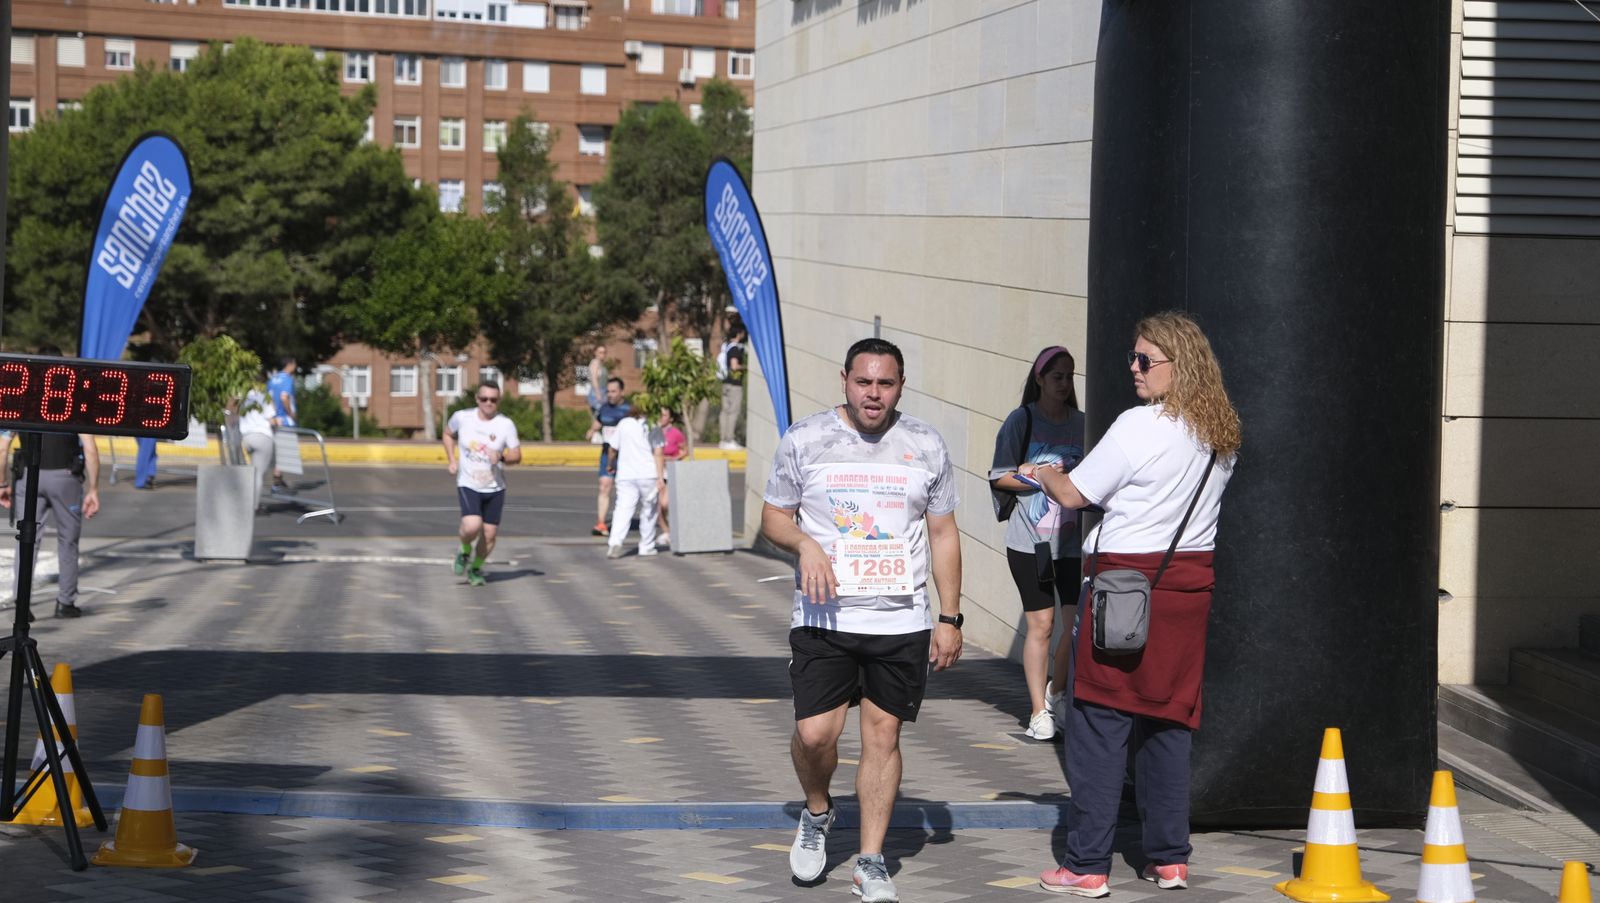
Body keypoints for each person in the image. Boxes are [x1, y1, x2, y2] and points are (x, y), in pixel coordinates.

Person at [1031, 312, 1240, 897]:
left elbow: (1077, 493)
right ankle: (1170, 858)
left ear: (1181, 365)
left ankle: (1086, 865)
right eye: (1133, 357)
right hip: (1187, 590)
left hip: (1125, 588)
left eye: (1145, 360)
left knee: (1099, 723)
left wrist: (1045, 473)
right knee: (1169, 722)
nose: (1133, 368)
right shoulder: (1218, 432)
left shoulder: (1139, 425)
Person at [761, 337, 963, 903]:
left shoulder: (924, 443)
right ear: (844, 379)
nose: (874, 394)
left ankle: (870, 861)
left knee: (883, 736)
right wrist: (804, 544)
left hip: (900, 620)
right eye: (864, 382)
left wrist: (949, 616)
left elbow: (943, 533)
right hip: (825, 616)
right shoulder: (807, 438)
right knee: (814, 733)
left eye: (886, 383)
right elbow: (774, 516)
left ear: (901, 386)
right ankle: (819, 811)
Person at [988, 345, 1085, 742]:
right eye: (1056, 376)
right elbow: (999, 476)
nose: (1064, 383)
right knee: (1041, 626)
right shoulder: (1021, 421)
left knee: (1076, 625)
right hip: (1031, 544)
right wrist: (1036, 476)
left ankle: (1057, 691)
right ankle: (1037, 711)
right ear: (1040, 379)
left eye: (1069, 376)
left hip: (1074, 542)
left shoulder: (1083, 423)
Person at [0, 430, 101, 619]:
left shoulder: (23, 405)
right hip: (65, 477)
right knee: (68, 540)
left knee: (27, 540)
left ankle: (21, 603)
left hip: (29, 476)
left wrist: (2, 483)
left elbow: (3, 448)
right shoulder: (77, 404)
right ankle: (65, 602)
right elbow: (90, 449)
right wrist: (93, 489)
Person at [442, 380, 522, 587]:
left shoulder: (505, 424)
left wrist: (502, 457)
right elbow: (447, 434)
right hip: (468, 482)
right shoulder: (462, 417)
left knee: (490, 534)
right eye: (484, 399)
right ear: (477, 399)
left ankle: (475, 568)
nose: (488, 403)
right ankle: (464, 550)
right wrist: (452, 459)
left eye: (493, 400)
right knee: (472, 525)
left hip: (495, 486)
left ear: (499, 401)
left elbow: (517, 455)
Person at [605, 406, 663, 559]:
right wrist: (660, 477)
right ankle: (646, 545)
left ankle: (615, 543)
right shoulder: (653, 425)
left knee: (623, 509)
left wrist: (610, 464)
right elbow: (658, 453)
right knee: (649, 510)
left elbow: (612, 448)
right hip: (648, 473)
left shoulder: (624, 423)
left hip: (626, 474)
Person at [585, 377, 630, 537]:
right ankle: (601, 523)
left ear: (621, 392)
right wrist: (591, 431)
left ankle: (623, 522)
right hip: (606, 454)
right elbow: (598, 423)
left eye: (613, 391)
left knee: (626, 490)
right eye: (608, 392)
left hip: (625, 456)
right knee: (604, 485)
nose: (610, 395)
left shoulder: (629, 409)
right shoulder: (603, 408)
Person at [654, 407, 689, 546]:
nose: (661, 418)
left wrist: (674, 458)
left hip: (670, 471)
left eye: (664, 415)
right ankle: (667, 531)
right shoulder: (654, 432)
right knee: (657, 505)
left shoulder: (675, 434)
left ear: (671, 419)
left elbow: (684, 450)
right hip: (657, 470)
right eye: (660, 415)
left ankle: (675, 529)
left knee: (664, 503)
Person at [238, 385, 275, 513]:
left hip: (247, 437)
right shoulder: (264, 396)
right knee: (258, 474)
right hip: (262, 436)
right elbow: (271, 418)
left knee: (250, 471)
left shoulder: (244, 395)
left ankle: (244, 501)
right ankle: (253, 506)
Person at [267, 356, 297, 491]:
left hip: (274, 419)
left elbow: (268, 398)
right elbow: (284, 397)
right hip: (285, 419)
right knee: (284, 450)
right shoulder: (287, 379)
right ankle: (277, 480)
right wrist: (290, 412)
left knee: (278, 449)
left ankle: (278, 479)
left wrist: (273, 414)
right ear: (289, 364)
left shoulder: (272, 379)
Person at [717, 326, 747, 450]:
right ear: (739, 334)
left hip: (725, 383)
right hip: (734, 384)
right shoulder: (734, 349)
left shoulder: (726, 347)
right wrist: (746, 367)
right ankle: (729, 439)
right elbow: (734, 366)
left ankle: (723, 439)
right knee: (733, 411)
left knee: (725, 411)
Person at [586, 345, 609, 415]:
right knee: (599, 417)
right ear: (595, 353)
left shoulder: (601, 364)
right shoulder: (595, 362)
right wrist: (598, 394)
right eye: (600, 352)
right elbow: (594, 379)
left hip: (603, 392)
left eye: (604, 352)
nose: (603, 354)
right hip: (597, 393)